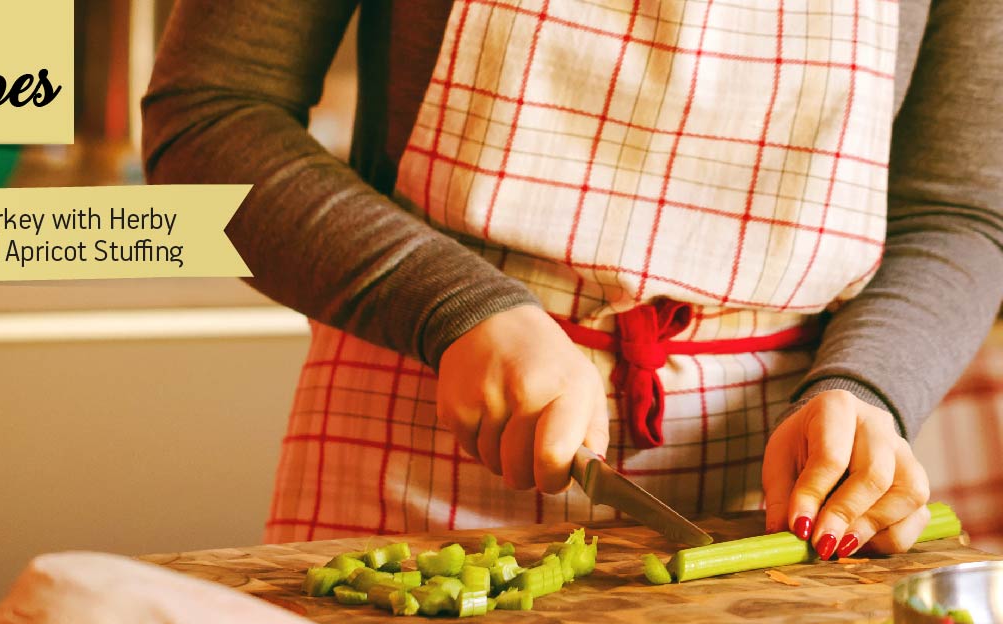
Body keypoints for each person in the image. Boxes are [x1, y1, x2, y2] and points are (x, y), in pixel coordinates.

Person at [143, 0, 1003, 558]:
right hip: (420, 432)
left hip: (782, 483)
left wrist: (870, 388)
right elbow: (207, 123)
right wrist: (458, 307)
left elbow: (959, 209)